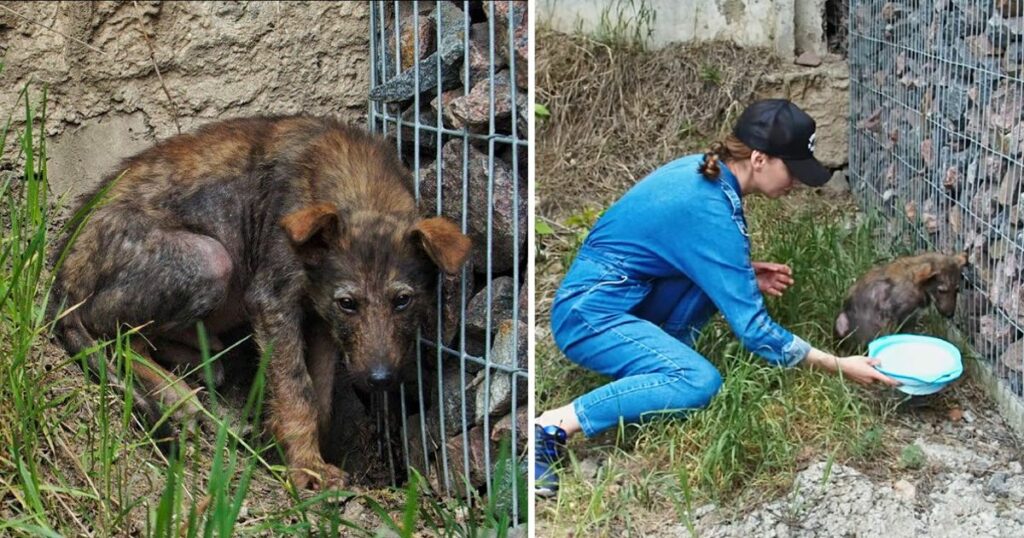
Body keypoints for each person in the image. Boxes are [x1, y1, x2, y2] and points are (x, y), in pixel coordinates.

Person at [534, 99, 899, 497]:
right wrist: (839, 365)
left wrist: (738, 274)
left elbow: (669, 248)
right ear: (759, 158)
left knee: (713, 300)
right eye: (791, 169)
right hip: (587, 316)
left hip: (614, 296)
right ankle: (554, 424)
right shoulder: (710, 206)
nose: (795, 181)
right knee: (699, 382)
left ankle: (657, 373)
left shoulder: (705, 172)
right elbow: (756, 332)